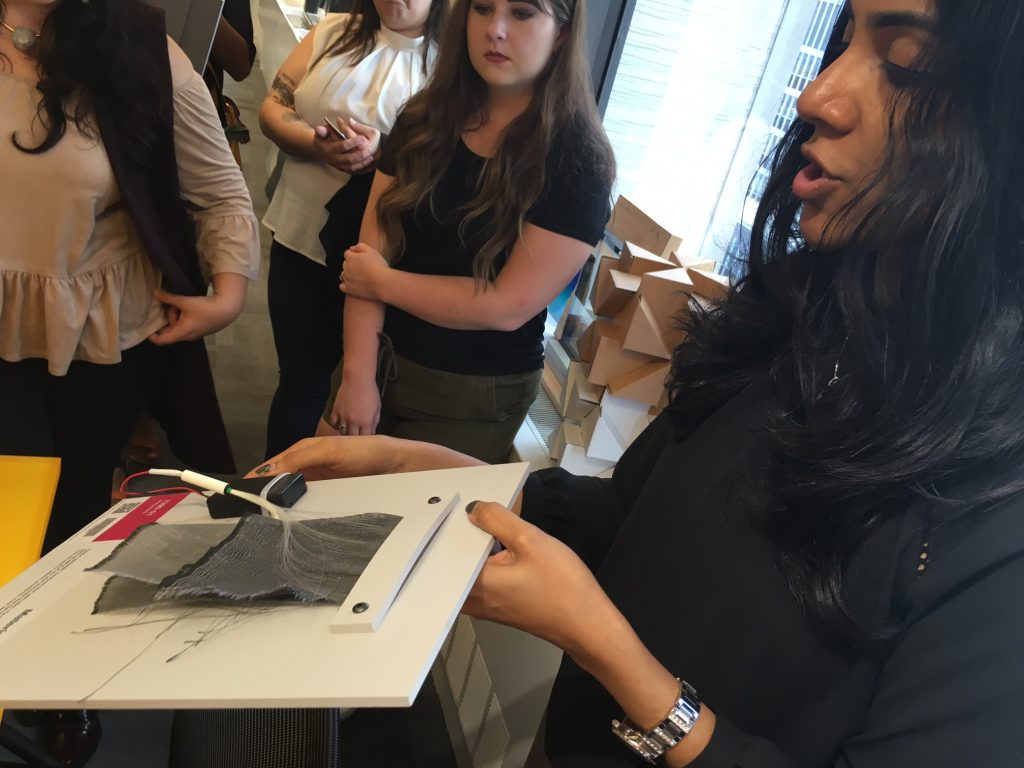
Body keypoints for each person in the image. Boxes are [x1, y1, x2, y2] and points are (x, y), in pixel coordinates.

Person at [258, 0, 1024, 764]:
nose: (816, 95)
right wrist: (424, 470)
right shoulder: (793, 314)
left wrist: (618, 662)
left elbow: (505, 305)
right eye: (842, 41)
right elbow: (629, 516)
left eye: (905, 62)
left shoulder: (993, 490)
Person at [0, 0, 259, 554]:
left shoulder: (139, 47)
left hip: (97, 339)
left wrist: (227, 296)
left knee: (64, 524)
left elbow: (219, 192)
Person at [329, 0, 615, 463]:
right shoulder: (424, 117)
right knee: (311, 504)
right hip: (375, 354)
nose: (495, 30)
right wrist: (358, 375)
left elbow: (505, 305)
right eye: (482, 8)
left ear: (562, 33)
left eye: (522, 14)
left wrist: (382, 282)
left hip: (472, 390)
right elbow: (368, 254)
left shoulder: (578, 160)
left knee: (401, 531)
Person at [260, 0, 447, 458]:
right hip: (301, 233)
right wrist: (313, 142)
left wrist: (388, 152)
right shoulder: (335, 31)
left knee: (358, 393)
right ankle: (269, 497)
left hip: (386, 255)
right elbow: (273, 106)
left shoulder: (454, 63)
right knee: (300, 380)